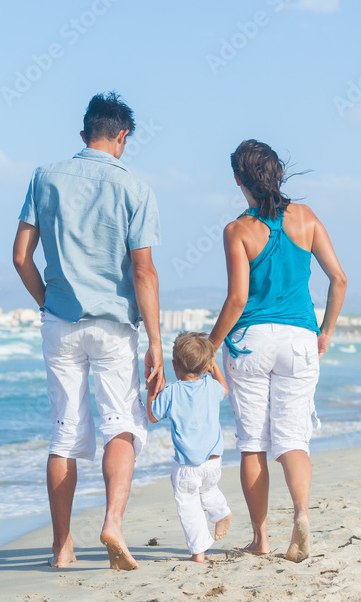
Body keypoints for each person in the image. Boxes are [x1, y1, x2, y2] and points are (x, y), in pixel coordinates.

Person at [12, 92, 164, 570]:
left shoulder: (44, 177)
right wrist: (157, 341)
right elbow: (143, 272)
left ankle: (62, 547)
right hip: (115, 324)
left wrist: (47, 302)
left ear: (83, 135)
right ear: (122, 137)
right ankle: (113, 524)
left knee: (65, 434)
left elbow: (20, 256)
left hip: (61, 321)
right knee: (121, 424)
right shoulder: (135, 188)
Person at [208, 140, 347, 563]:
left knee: (253, 445)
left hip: (251, 342)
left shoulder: (238, 230)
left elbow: (236, 300)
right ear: (279, 174)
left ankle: (261, 539)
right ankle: (302, 517)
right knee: (293, 440)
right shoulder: (305, 218)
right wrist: (325, 332)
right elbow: (339, 280)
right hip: (300, 340)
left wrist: (210, 348)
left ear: (238, 179)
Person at [148, 332, 232, 563]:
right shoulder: (211, 387)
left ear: (174, 366)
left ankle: (198, 552)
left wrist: (152, 387)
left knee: (188, 505)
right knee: (208, 489)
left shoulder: (172, 392)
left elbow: (153, 416)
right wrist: (214, 368)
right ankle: (221, 511)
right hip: (214, 461)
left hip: (187, 465)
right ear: (206, 366)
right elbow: (225, 388)